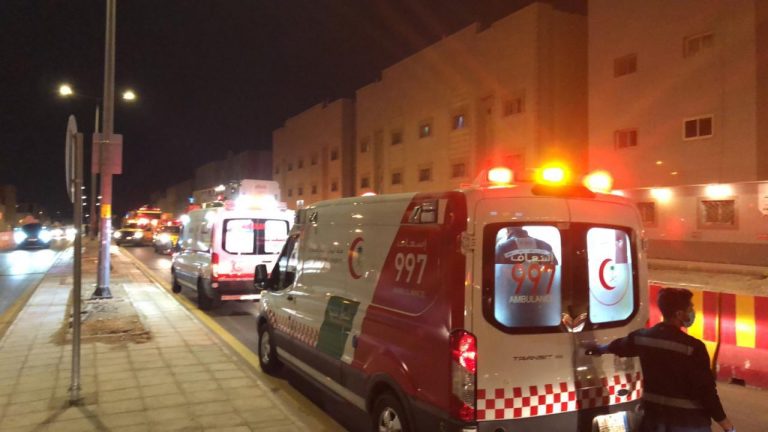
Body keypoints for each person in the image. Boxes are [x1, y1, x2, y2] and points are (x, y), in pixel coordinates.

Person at [588, 287, 735, 432]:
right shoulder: (693, 348)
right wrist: (726, 425)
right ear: (679, 314)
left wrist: (598, 349)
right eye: (690, 308)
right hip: (688, 423)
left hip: (654, 421)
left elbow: (619, 346)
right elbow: (706, 392)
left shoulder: (643, 338)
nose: (692, 312)